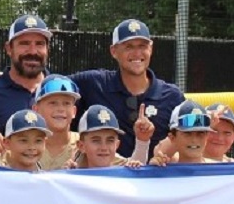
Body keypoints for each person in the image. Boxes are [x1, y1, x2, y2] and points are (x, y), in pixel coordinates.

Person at [70, 19, 185, 160]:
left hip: (156, 180)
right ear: (113, 51)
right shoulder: (94, 84)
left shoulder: (172, 96)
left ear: (151, 48)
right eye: (128, 47)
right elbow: (51, 86)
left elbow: (188, 140)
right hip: (104, 180)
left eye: (142, 46)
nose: (137, 53)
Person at [0, 15, 53, 135]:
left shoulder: (64, 91)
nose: (32, 51)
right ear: (9, 48)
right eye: (24, 44)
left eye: (39, 44)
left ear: (48, 49)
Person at [31, 74, 81, 170]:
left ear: (74, 111)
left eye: (66, 103)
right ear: (36, 110)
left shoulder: (86, 145)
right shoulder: (23, 145)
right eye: (53, 103)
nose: (60, 109)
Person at [70, 104, 144, 169]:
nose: (104, 147)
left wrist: (136, 170)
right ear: (81, 146)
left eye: (110, 141)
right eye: (96, 141)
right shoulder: (71, 177)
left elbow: (138, 163)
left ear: (117, 145)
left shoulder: (125, 173)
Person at [149, 100, 216, 166]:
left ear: (207, 136)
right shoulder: (163, 169)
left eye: (200, 133)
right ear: (172, 138)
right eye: (187, 133)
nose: (194, 140)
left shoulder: (217, 170)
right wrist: (153, 171)